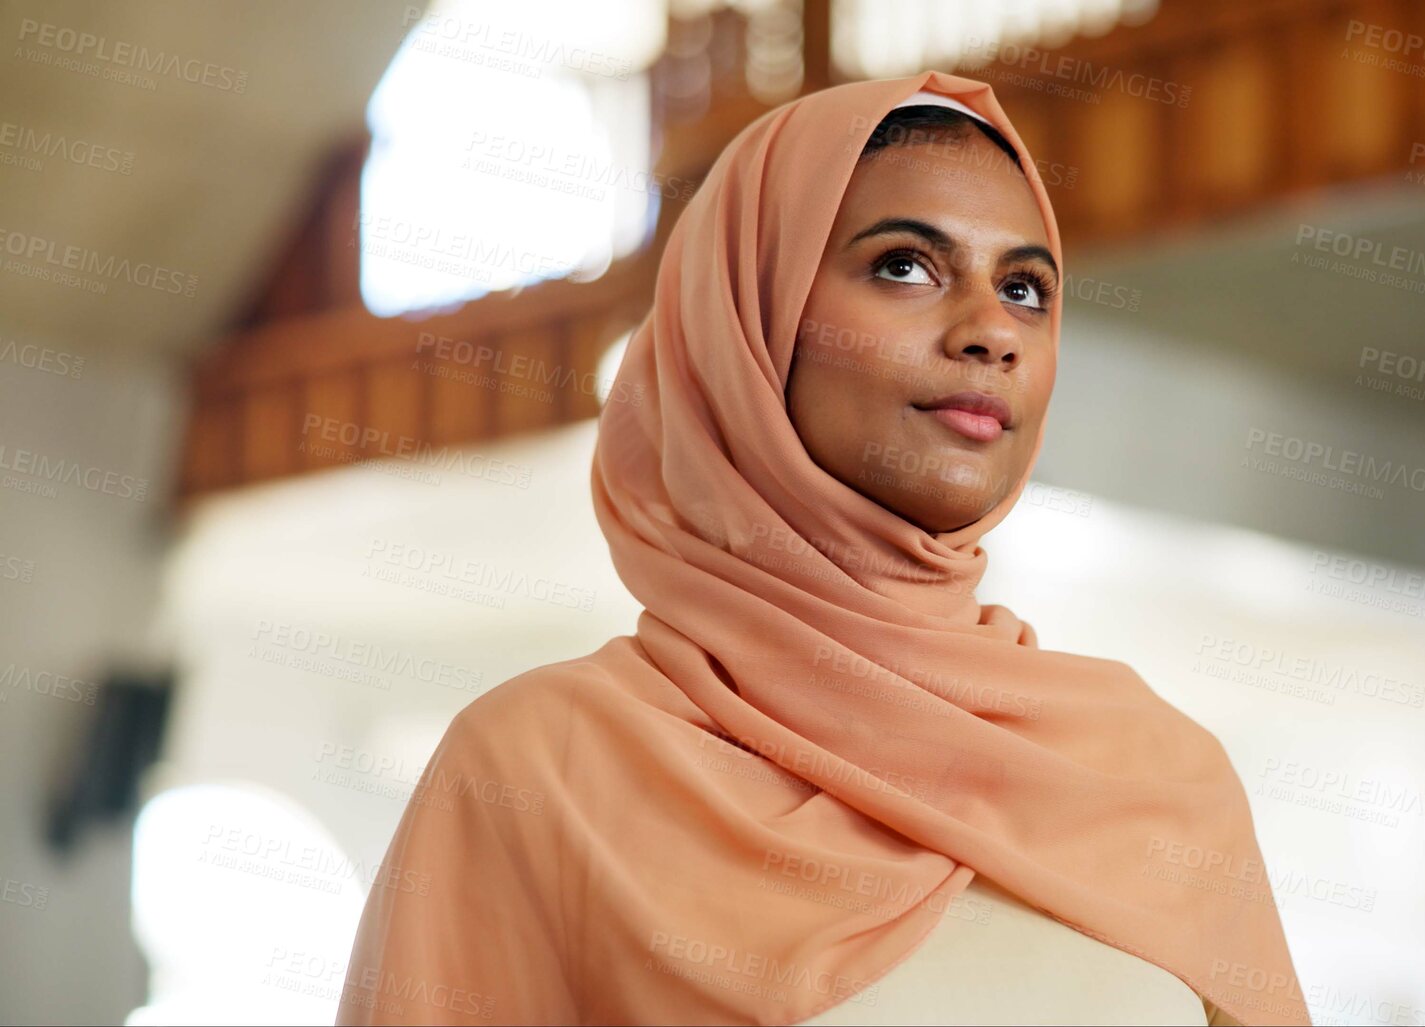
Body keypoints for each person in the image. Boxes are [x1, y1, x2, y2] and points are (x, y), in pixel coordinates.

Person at [335, 69, 1309, 1027]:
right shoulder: (538, 768)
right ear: (748, 320)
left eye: (1025, 289)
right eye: (903, 266)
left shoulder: (1163, 780)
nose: (989, 332)